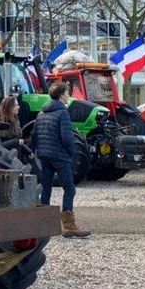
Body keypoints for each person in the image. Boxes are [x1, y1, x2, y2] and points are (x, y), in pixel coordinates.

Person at [30, 83, 90, 238]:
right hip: (60, 156)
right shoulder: (62, 112)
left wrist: (34, 151)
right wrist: (72, 153)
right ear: (61, 95)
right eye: (67, 93)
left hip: (44, 155)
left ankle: (42, 224)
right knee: (69, 188)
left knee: (46, 187)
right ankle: (69, 226)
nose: (69, 95)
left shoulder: (41, 113)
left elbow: (34, 135)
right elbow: (67, 136)